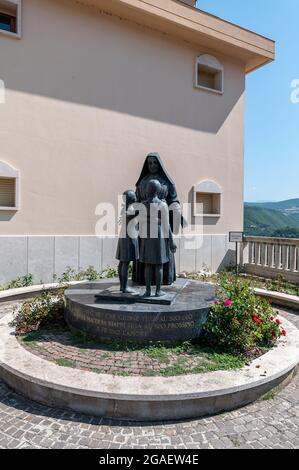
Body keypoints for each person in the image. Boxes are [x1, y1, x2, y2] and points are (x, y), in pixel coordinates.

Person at [133, 152, 183, 285]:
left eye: (155, 163)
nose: (152, 165)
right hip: (144, 223)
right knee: (146, 255)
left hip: (161, 220)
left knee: (161, 255)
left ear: (159, 164)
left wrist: (176, 207)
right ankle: (145, 282)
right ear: (146, 165)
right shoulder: (142, 182)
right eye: (149, 163)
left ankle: (163, 281)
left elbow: (174, 199)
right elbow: (136, 201)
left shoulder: (167, 182)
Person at [139, 180, 176, 297]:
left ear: (147, 190)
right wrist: (171, 241)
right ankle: (158, 291)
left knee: (148, 265)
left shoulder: (143, 204)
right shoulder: (162, 205)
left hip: (146, 236)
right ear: (159, 190)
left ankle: (148, 291)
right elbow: (166, 224)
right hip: (159, 236)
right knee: (158, 264)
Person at [116, 190, 139, 293]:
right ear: (132, 198)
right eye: (134, 196)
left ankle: (122, 286)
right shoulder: (131, 209)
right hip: (128, 238)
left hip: (124, 237)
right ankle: (124, 287)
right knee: (125, 263)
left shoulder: (125, 208)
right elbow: (135, 213)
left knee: (122, 262)